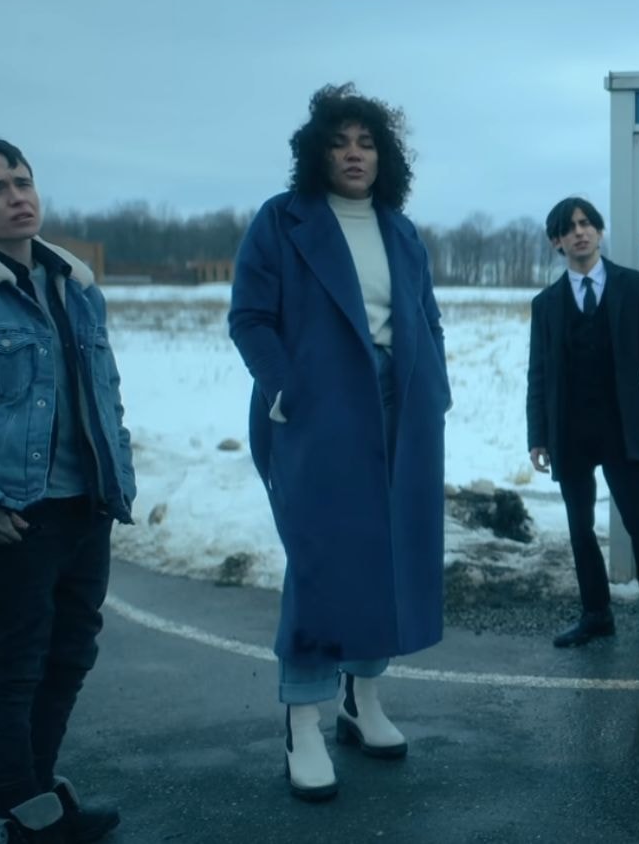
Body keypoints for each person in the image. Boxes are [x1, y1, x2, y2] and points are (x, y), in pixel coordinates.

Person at [229, 83, 451, 802]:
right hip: (319, 412)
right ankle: (302, 719)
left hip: (401, 412)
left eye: (368, 143)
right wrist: (286, 389)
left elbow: (427, 321)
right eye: (340, 142)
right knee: (323, 561)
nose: (355, 154)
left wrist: (435, 397)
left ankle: (365, 699)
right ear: (315, 152)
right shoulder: (282, 222)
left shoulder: (401, 229)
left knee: (389, 557)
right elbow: (249, 318)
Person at [0, 136, 134, 843]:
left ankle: (37, 788)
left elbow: (105, 391)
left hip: (83, 506)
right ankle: (21, 807)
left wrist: (117, 477)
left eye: (24, 182)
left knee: (69, 654)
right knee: (15, 662)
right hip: (13, 515)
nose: (17, 197)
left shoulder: (73, 283)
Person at [526, 195, 639, 654]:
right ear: (557, 241)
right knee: (580, 526)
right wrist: (537, 435)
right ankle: (596, 614)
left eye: (587, 223)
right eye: (569, 227)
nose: (580, 232)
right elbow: (537, 372)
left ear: (598, 232)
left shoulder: (634, 288)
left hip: (623, 428)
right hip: (570, 431)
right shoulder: (546, 304)